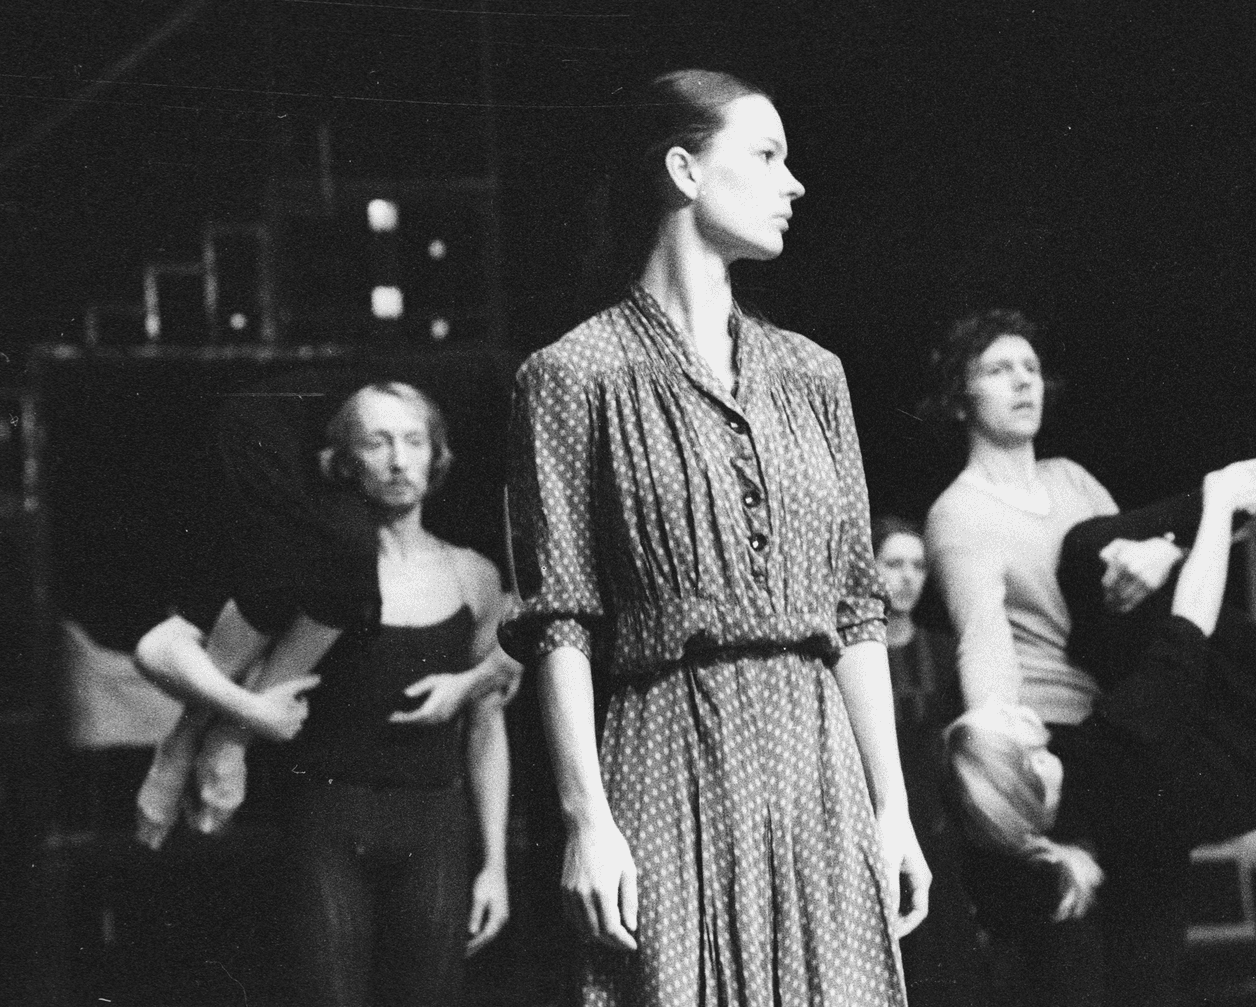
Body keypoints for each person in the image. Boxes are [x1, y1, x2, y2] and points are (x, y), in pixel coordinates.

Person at [505, 69, 928, 1007]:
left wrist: (892, 808)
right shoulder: (574, 375)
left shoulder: (814, 375)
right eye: (768, 155)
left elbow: (856, 613)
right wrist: (587, 819)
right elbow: (560, 619)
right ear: (684, 170)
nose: (795, 184)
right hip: (667, 754)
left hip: (819, 763)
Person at [923, 308, 1256, 1004]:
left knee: (1108, 547)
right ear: (959, 395)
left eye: (1031, 367)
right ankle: (1255, 497)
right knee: (1081, 967)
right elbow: (983, 636)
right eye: (999, 368)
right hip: (1061, 748)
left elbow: (1140, 580)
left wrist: (1164, 552)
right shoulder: (960, 513)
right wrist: (999, 771)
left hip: (1128, 725)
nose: (1022, 380)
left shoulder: (1070, 480)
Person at [135, 381, 518, 1005]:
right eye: (378, 442)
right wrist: (236, 721)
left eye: (414, 441)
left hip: (436, 823)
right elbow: (165, 652)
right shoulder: (314, 570)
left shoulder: (472, 574)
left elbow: (487, 727)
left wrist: (496, 863)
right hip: (326, 819)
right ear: (344, 461)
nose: (398, 461)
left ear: (436, 455)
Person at [873, 516, 980, 1007]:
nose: (908, 577)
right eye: (893, 563)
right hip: (877, 828)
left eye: (918, 565)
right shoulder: (855, 658)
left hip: (938, 831)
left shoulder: (939, 649)